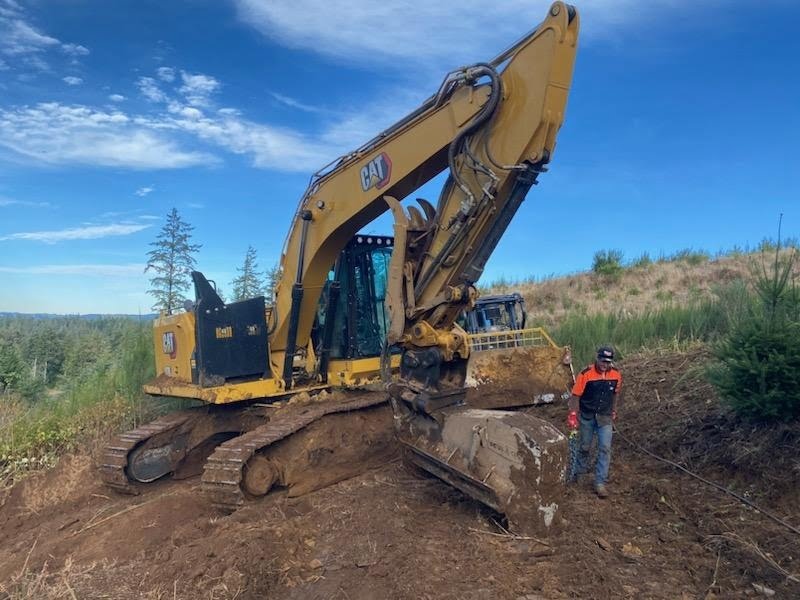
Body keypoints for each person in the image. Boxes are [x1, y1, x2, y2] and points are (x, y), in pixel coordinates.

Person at [566, 345, 622, 498]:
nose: (605, 364)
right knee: (585, 446)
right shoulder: (585, 374)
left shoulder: (616, 375)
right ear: (597, 359)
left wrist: (614, 410)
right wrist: (572, 414)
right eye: (603, 361)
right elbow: (576, 396)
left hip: (605, 417)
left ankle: (600, 482)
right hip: (587, 415)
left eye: (608, 362)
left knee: (605, 447)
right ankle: (580, 472)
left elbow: (615, 394)